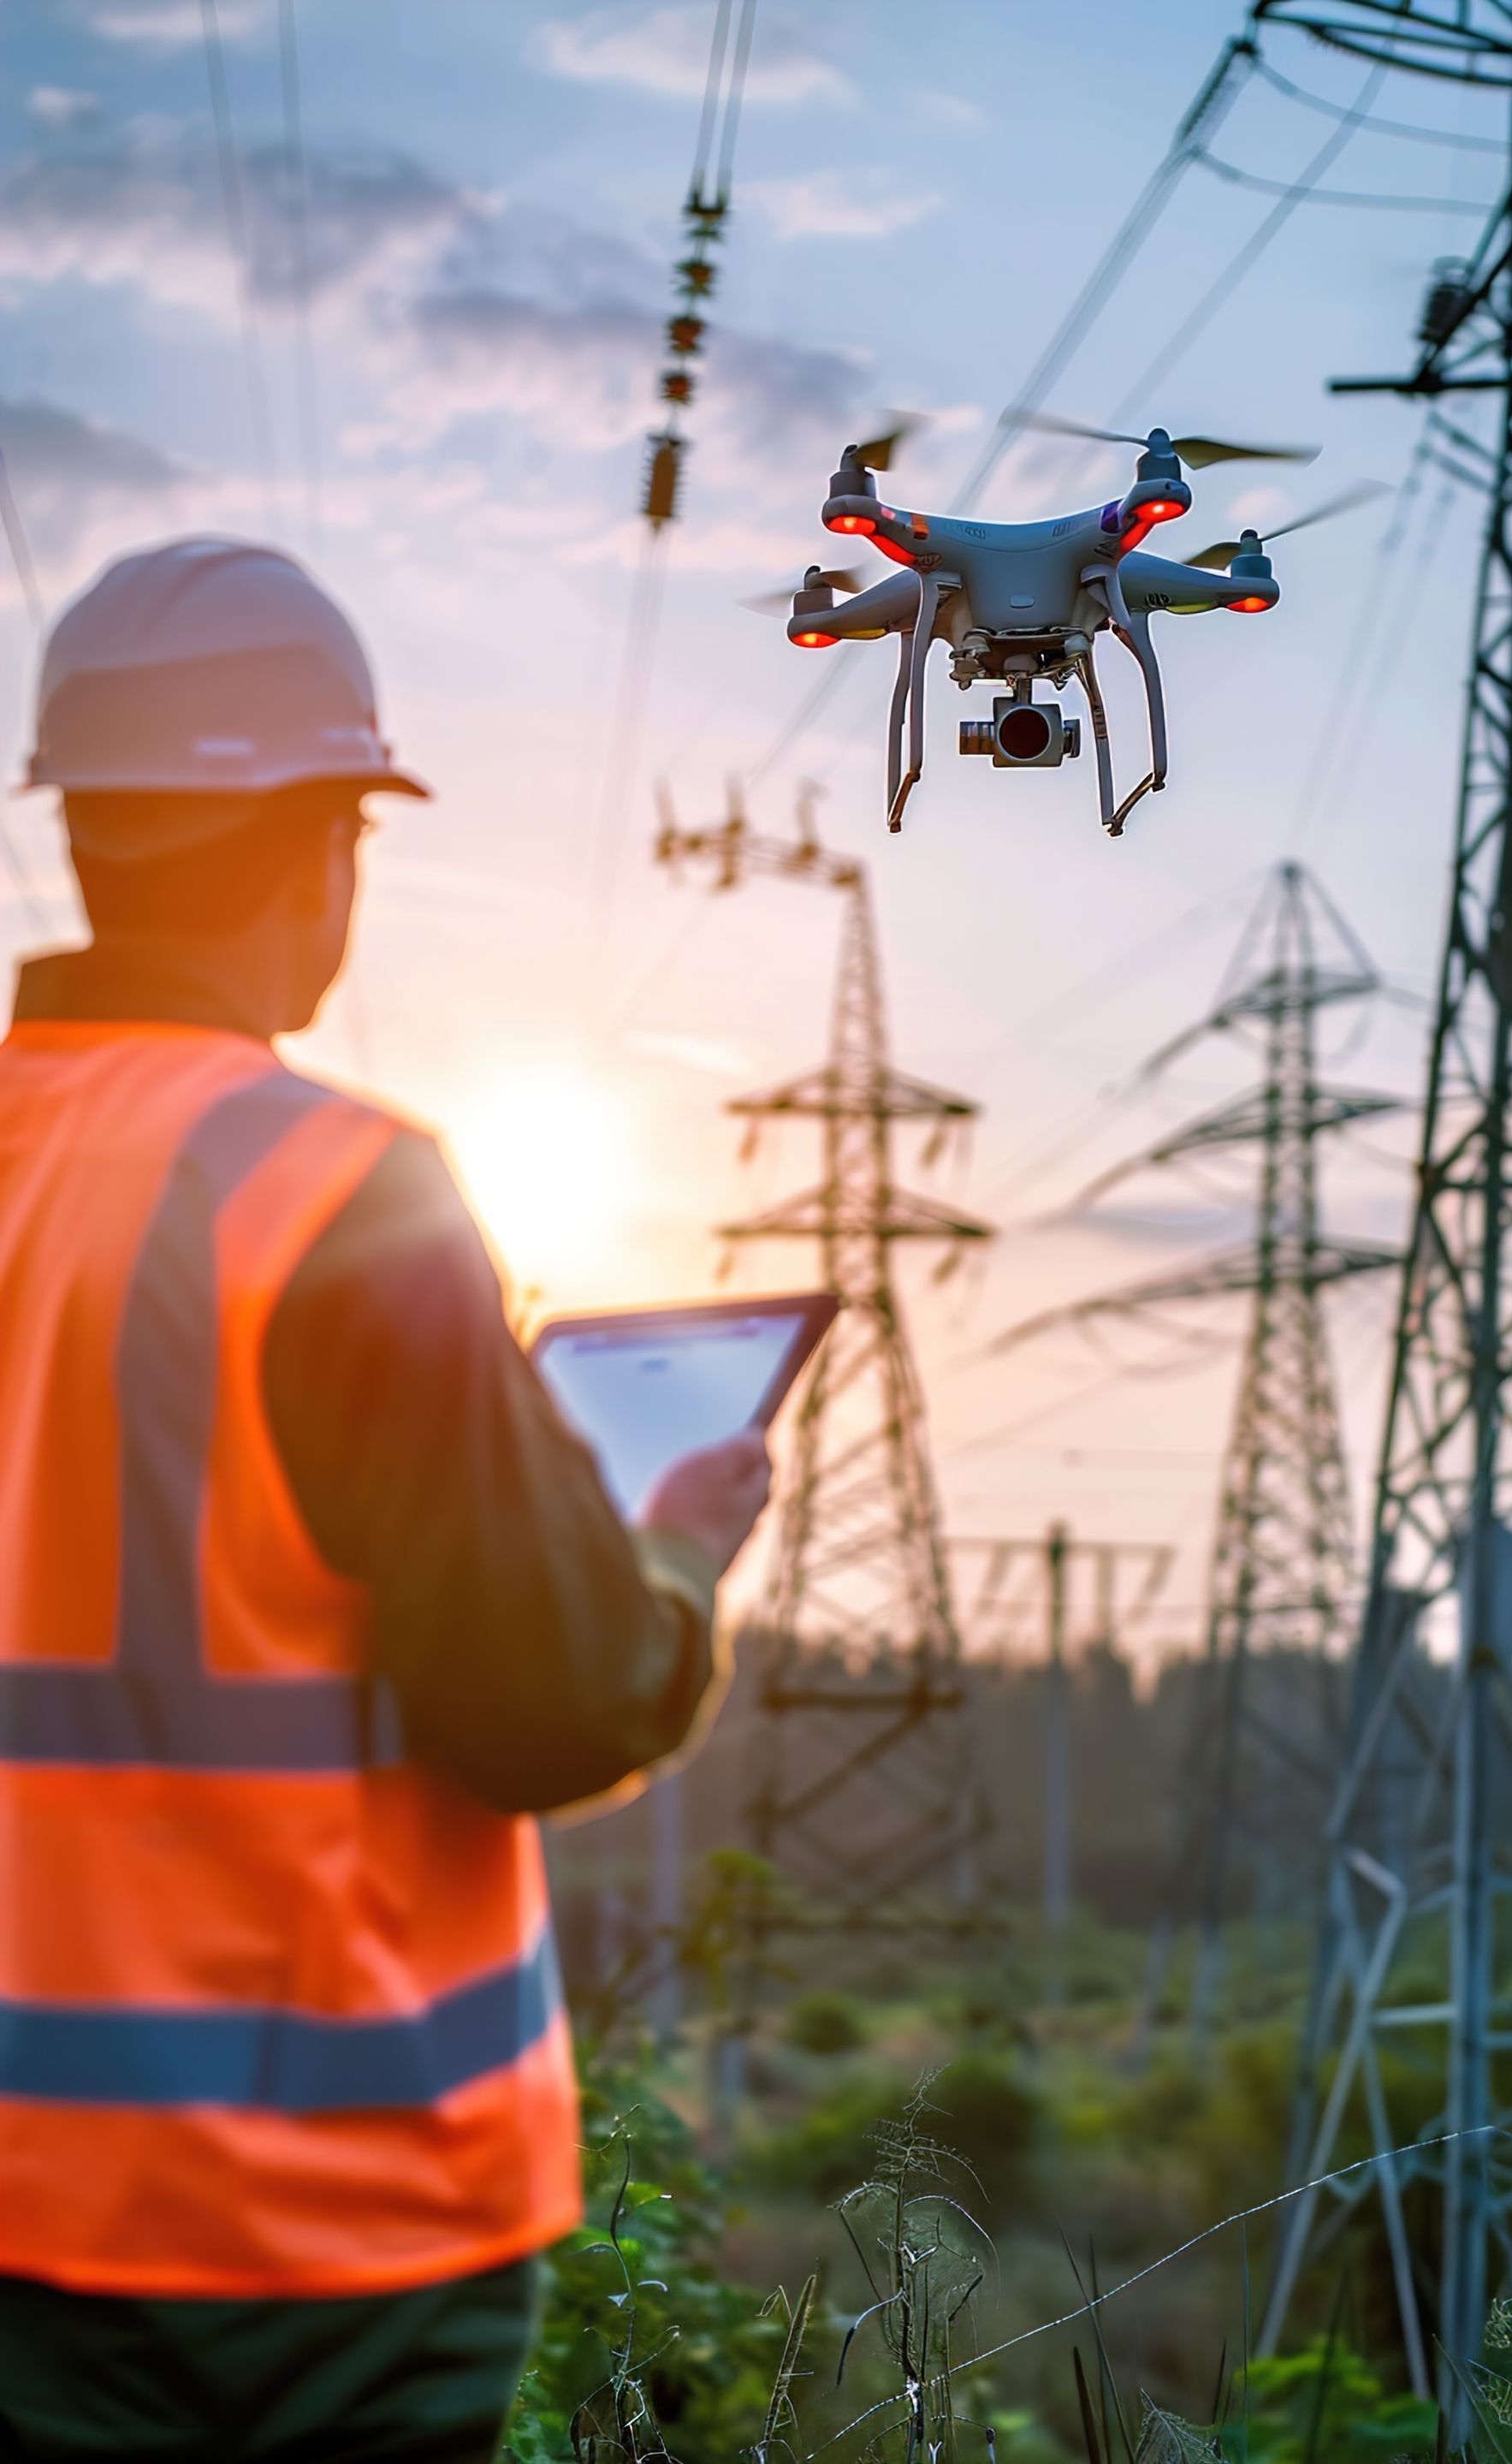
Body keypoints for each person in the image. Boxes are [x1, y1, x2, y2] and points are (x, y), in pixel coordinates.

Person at [0, 536, 771, 2462]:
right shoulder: (345, 1197)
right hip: (319, 2248)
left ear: (85, 826)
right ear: (324, 839)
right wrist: (671, 1548)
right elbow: (561, 1696)